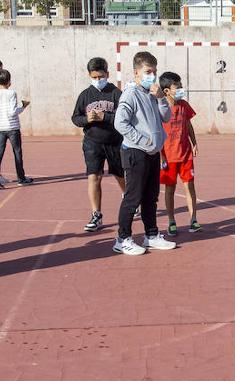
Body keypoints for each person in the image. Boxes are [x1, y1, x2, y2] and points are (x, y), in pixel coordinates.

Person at [113, 51, 176, 255]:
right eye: (148, 72)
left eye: (154, 72)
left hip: (152, 153)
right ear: (136, 73)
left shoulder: (151, 94)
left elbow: (165, 118)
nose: (152, 76)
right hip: (135, 152)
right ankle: (122, 239)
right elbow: (120, 123)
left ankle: (151, 235)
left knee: (150, 197)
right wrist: (142, 140)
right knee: (133, 197)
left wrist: (161, 99)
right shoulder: (130, 94)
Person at [72, 57, 125, 232]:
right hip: (92, 143)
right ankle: (96, 214)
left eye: (101, 76)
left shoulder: (116, 93)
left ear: (107, 74)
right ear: (89, 76)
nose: (98, 80)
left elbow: (124, 116)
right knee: (94, 176)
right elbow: (75, 118)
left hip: (114, 142)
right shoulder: (85, 95)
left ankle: (129, 199)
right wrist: (86, 119)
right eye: (94, 77)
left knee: (119, 174)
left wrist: (105, 117)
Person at [158, 72, 200, 235]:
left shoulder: (184, 105)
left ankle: (194, 219)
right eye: (178, 87)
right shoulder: (160, 108)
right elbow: (157, 131)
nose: (181, 89)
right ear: (167, 91)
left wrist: (194, 142)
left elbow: (188, 124)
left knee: (189, 186)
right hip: (168, 156)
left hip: (185, 154)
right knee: (170, 188)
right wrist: (160, 155)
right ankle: (171, 221)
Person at [0, 68, 31, 189]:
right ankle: (21, 178)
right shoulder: (11, 93)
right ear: (9, 81)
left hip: (0, 127)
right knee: (17, 152)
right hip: (12, 127)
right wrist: (23, 107)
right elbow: (12, 111)